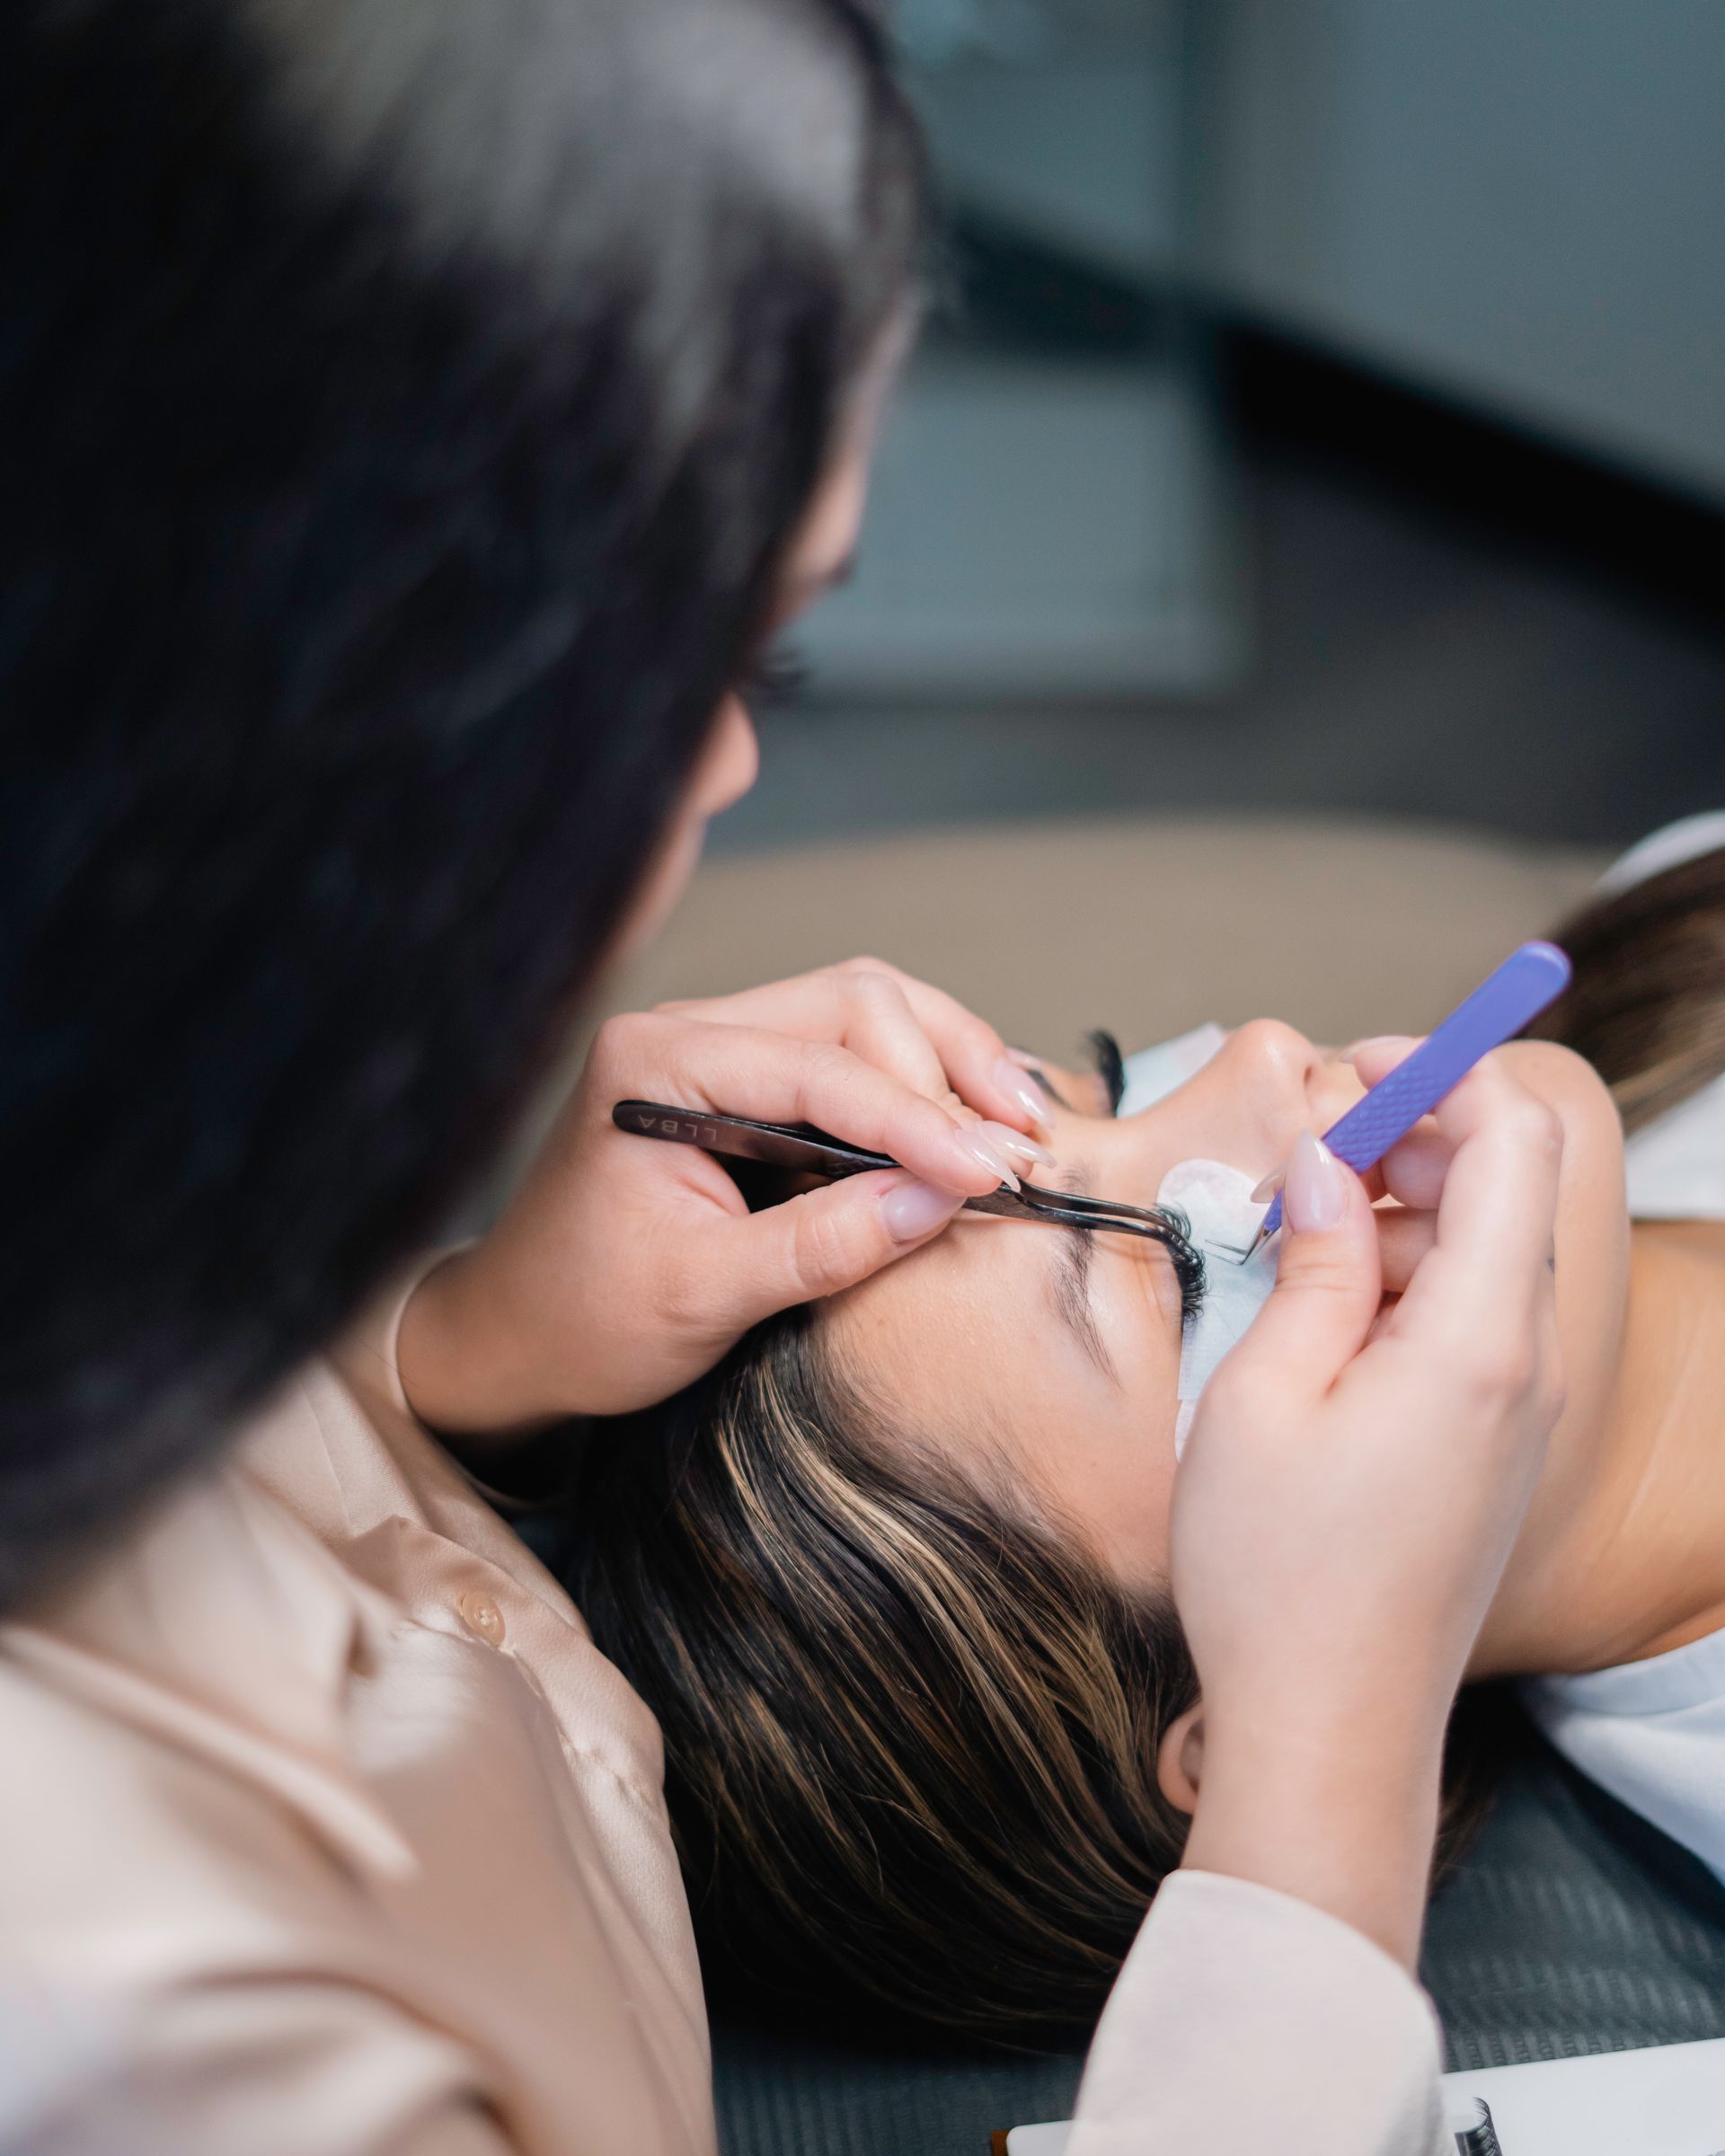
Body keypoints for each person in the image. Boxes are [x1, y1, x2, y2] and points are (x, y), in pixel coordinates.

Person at [0, 4, 1562, 2152]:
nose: (729, 767)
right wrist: (1320, 1783)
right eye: (709, 652)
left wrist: (424, 1366)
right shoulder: (139, 2033)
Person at [571, 831, 1725, 2046]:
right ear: (1243, 1729)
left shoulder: (1683, 949)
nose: (1265, 1060)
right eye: (1189, 1268)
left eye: (1108, 1083)